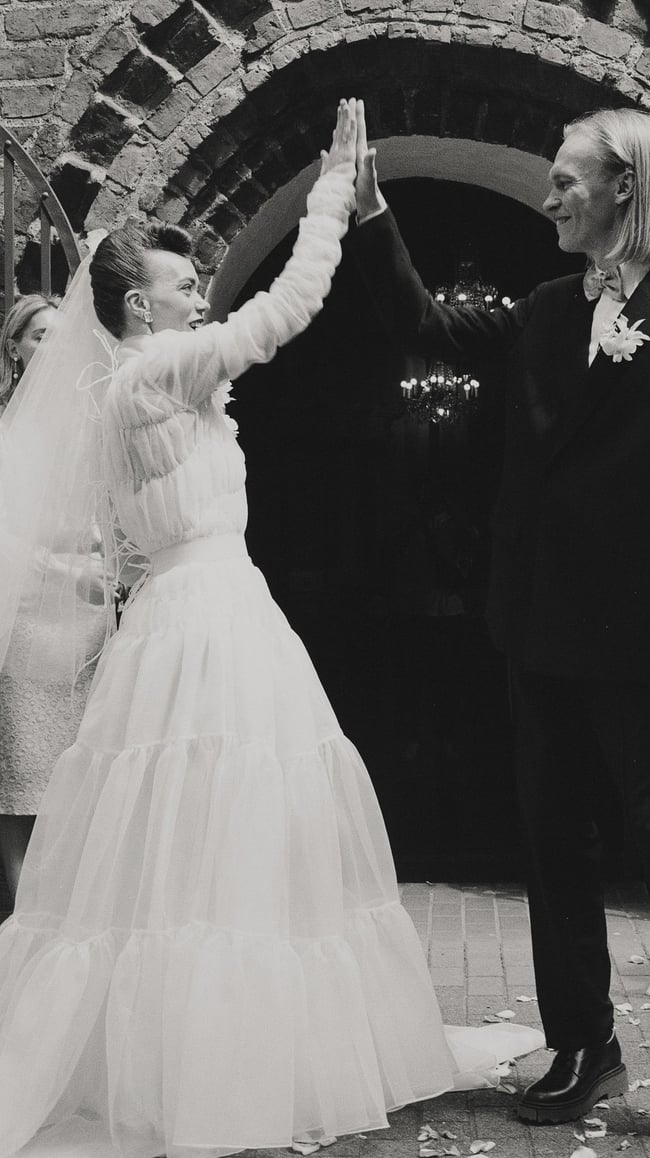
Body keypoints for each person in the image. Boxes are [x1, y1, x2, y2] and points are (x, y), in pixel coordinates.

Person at [0, 100, 542, 1158]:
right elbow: (285, 309)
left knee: (210, 832)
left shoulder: (139, 389)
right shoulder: (154, 373)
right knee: (223, 815)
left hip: (194, 616)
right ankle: (218, 1067)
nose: (199, 292)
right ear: (140, 307)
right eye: (182, 283)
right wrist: (334, 194)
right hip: (206, 624)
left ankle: (224, 1046)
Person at [350, 101, 650, 1158]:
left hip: (642, 627)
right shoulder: (545, 307)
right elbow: (427, 328)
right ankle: (585, 1045)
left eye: (567, 181)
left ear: (626, 186)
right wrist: (370, 217)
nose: (549, 199)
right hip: (537, 620)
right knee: (552, 838)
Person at [0, 293, 110, 902]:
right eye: (40, 335)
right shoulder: (5, 426)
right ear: (14, 347)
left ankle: (75, 916)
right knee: (23, 779)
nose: (52, 348)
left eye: (61, 336)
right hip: (25, 614)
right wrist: (65, 571)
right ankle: (22, 920)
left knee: (82, 776)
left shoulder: (95, 418)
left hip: (90, 621)